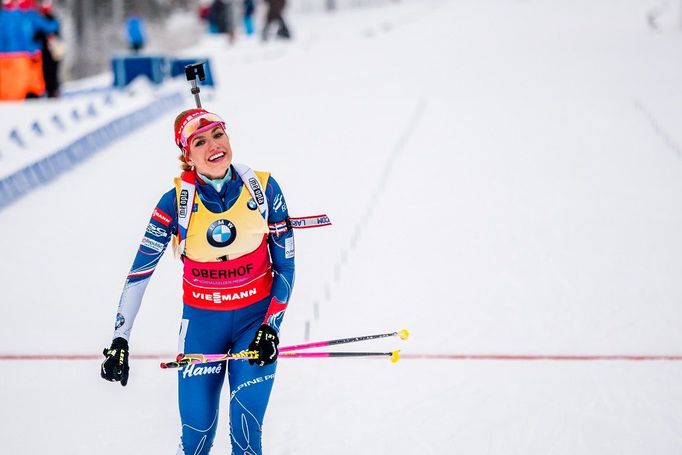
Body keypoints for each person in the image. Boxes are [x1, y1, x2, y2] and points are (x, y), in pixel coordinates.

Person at [101, 108, 296, 454]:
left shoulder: (263, 189)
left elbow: (285, 266)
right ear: (186, 156)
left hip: (254, 323)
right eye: (200, 142)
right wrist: (120, 339)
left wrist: (272, 326)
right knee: (196, 439)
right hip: (202, 328)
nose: (213, 147)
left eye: (218, 135)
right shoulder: (175, 202)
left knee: (247, 438)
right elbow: (139, 275)